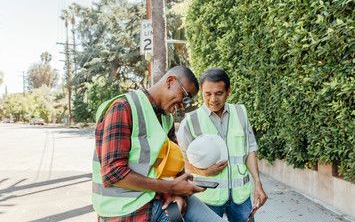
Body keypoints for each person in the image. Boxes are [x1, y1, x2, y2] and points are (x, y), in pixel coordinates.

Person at [92, 66, 227, 222]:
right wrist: (172, 188)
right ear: (170, 81)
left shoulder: (166, 118)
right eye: (185, 97)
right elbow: (113, 173)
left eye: (188, 102)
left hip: (158, 199)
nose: (183, 106)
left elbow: (175, 163)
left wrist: (179, 193)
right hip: (124, 211)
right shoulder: (123, 108)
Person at [177, 67, 268, 222]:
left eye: (219, 93)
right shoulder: (190, 121)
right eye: (208, 94)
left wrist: (258, 185)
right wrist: (204, 172)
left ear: (228, 91)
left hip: (241, 198)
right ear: (202, 93)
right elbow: (180, 163)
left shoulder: (241, 113)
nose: (213, 99)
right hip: (207, 198)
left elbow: (250, 150)